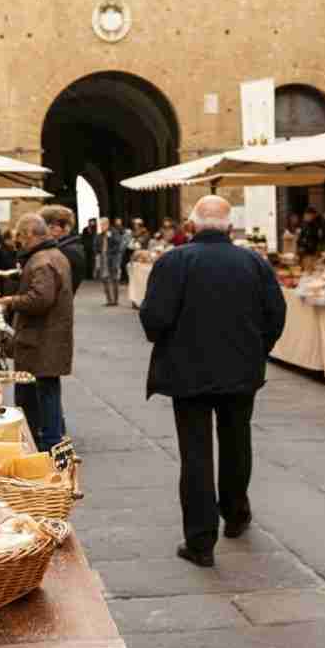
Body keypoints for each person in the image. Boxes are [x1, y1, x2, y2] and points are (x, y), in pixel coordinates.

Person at [139, 195, 286, 568]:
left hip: (187, 373)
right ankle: (236, 515)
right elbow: (276, 315)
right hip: (241, 371)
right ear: (230, 227)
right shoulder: (254, 262)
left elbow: (154, 320)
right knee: (237, 441)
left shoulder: (174, 261)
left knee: (196, 454)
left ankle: (201, 541)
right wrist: (257, 348)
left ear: (191, 226)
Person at [0, 214, 74, 452]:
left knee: (41, 391)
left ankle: (47, 444)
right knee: (46, 390)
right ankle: (50, 438)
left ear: (30, 234)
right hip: (47, 338)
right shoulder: (53, 256)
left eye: (20, 236)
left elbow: (41, 299)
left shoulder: (42, 261)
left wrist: (11, 300)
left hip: (42, 339)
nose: (19, 242)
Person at [41, 205, 87, 293]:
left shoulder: (67, 251)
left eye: (51, 226)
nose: (45, 231)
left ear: (65, 227)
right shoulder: (65, 247)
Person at [99, 218, 126, 305]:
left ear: (107, 224)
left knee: (114, 279)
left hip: (113, 259)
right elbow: (96, 244)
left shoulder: (114, 232)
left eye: (103, 224)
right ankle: (109, 300)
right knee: (105, 279)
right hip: (103, 259)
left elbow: (118, 244)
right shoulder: (100, 235)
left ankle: (115, 300)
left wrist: (109, 236)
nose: (101, 226)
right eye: (101, 224)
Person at [82, 218, 97, 283]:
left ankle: (91, 275)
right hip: (86, 247)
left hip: (92, 248)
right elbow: (83, 238)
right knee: (86, 261)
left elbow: (94, 238)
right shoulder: (85, 229)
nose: (92, 223)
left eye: (93, 222)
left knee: (91, 262)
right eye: (91, 222)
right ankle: (86, 275)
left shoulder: (95, 229)